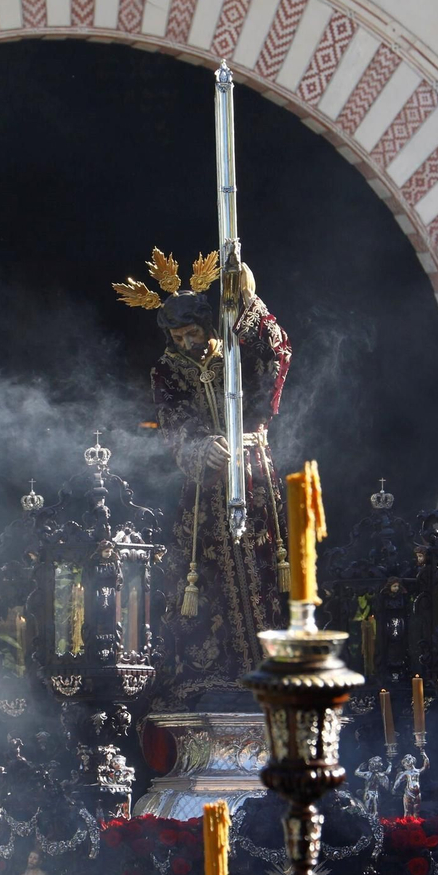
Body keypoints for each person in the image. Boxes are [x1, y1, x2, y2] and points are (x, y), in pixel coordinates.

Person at [114, 248, 292, 702]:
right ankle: (222, 672)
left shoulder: (237, 349)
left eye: (192, 332)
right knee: (206, 573)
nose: (186, 342)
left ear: (207, 327)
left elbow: (275, 360)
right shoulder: (166, 370)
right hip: (206, 485)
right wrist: (198, 448)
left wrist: (251, 300)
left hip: (253, 471)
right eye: (177, 336)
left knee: (267, 561)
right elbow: (173, 423)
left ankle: (273, 661)